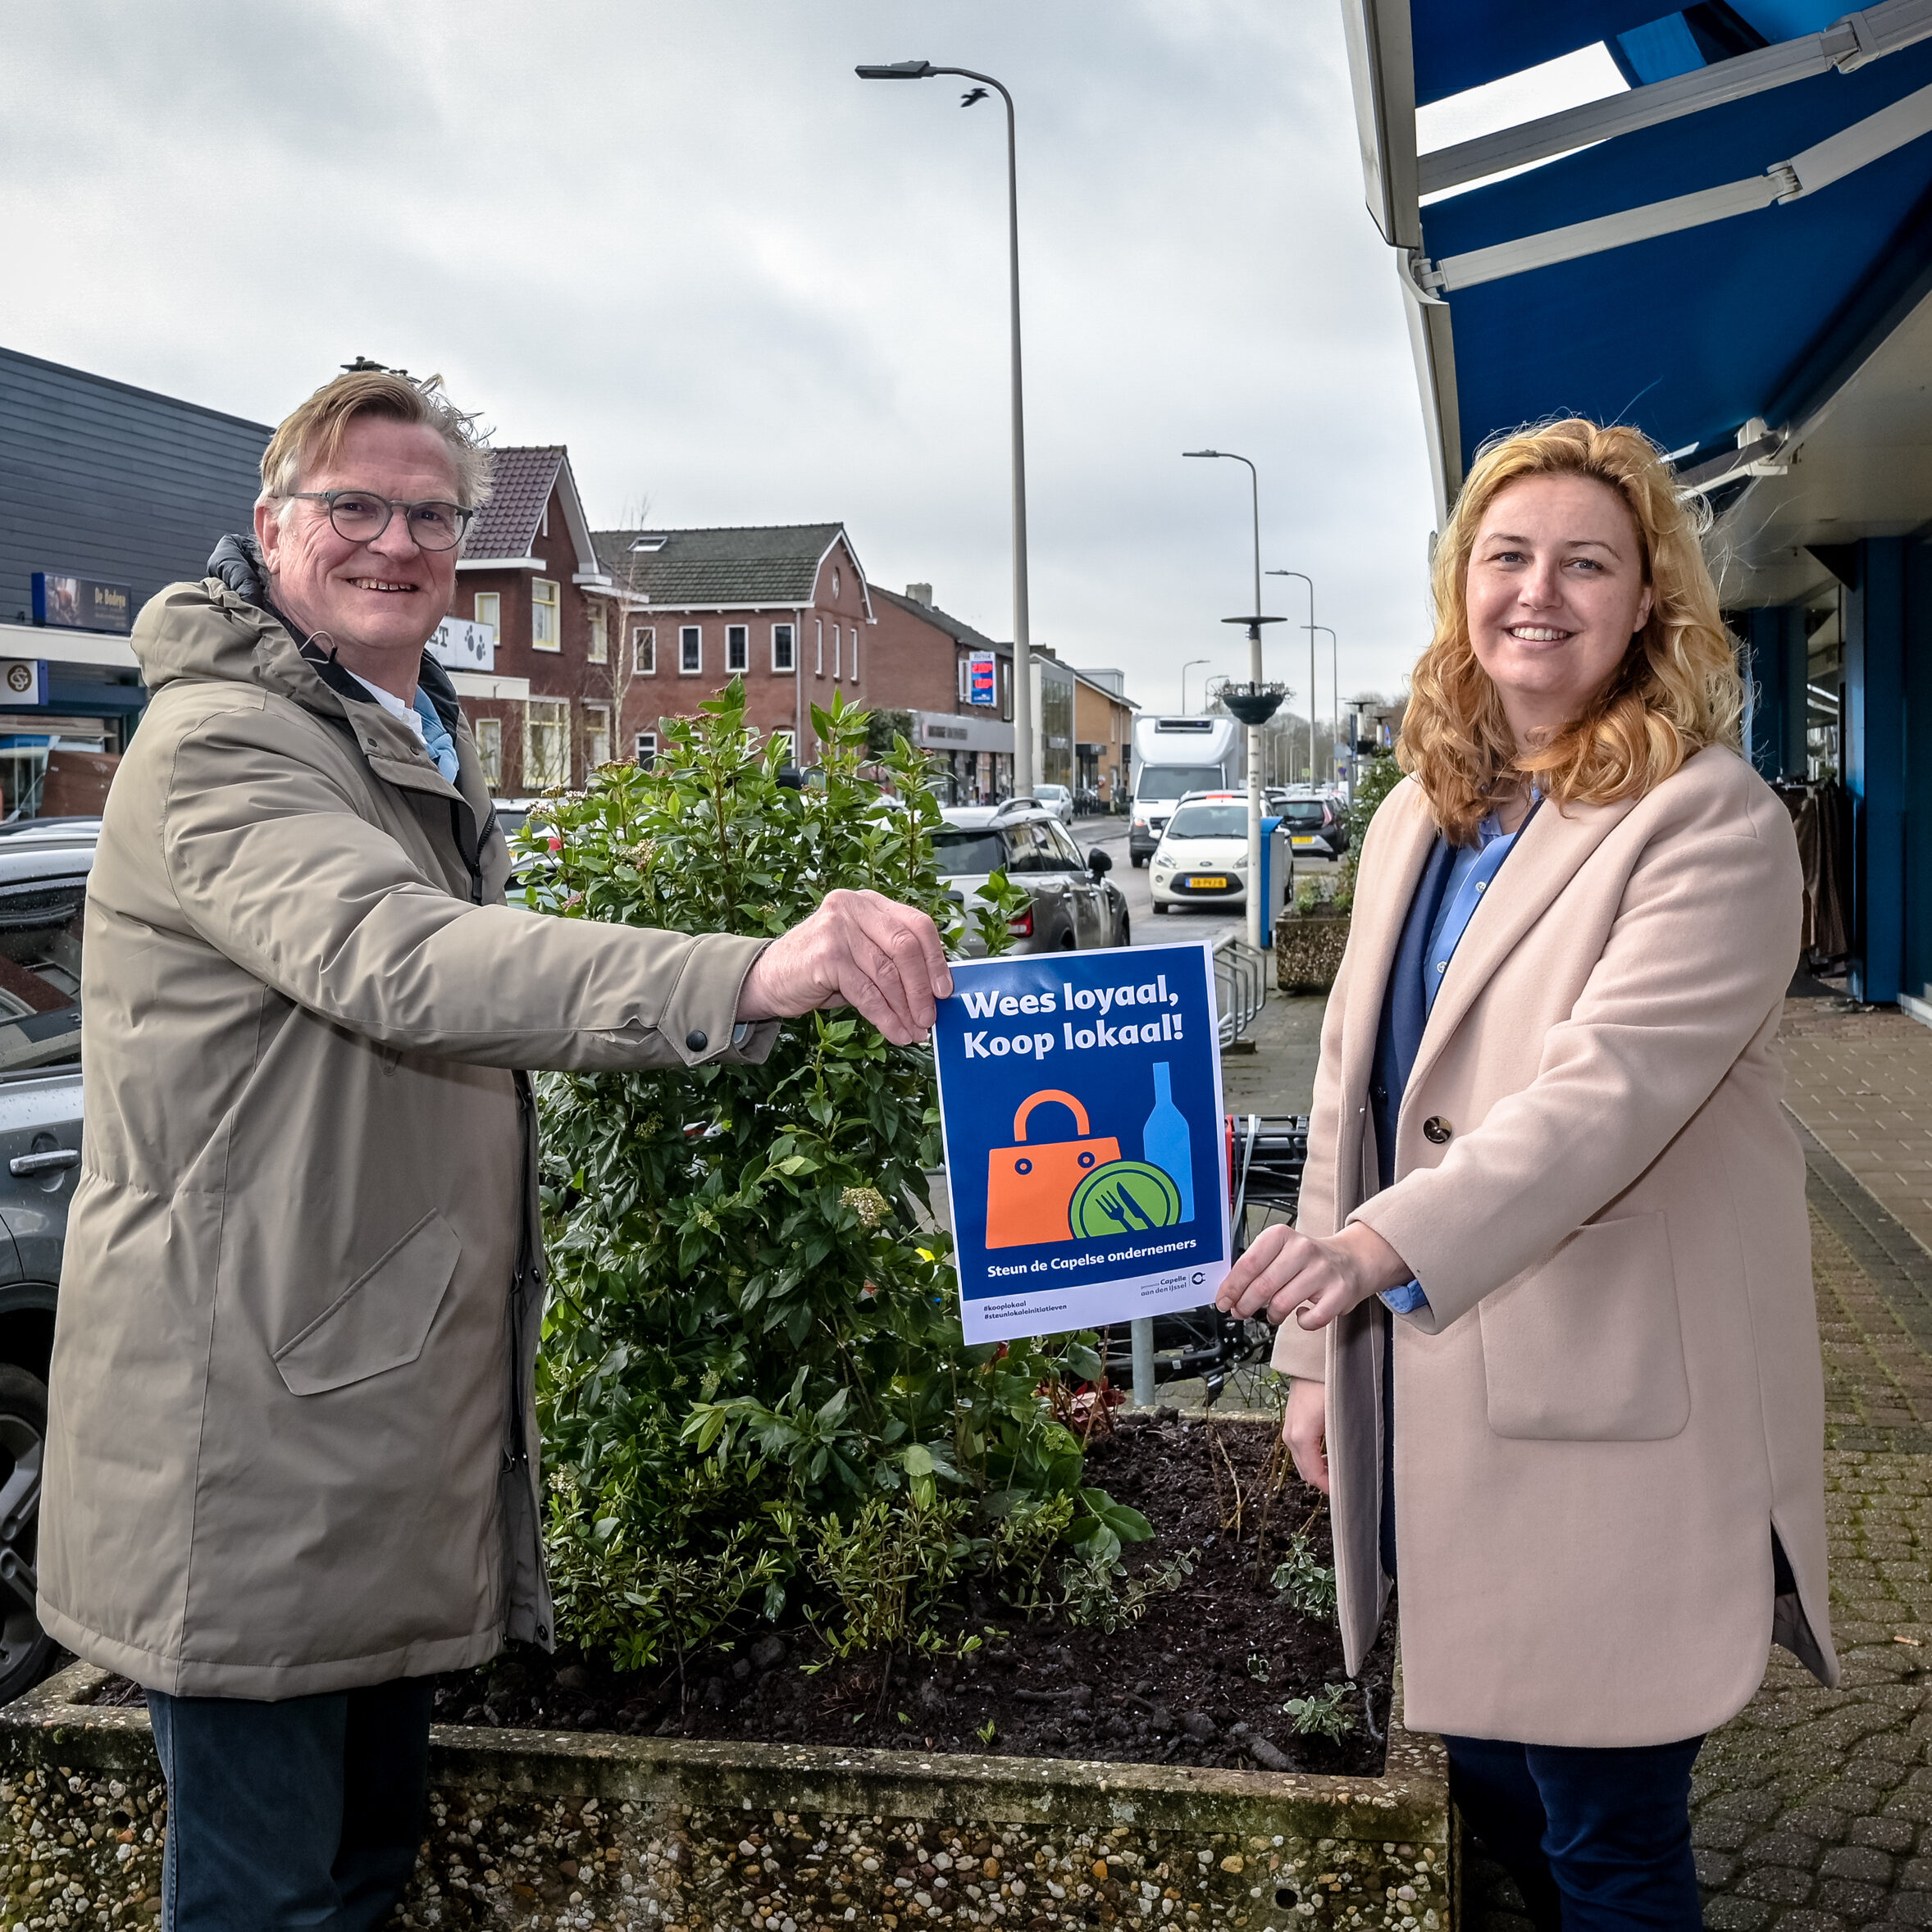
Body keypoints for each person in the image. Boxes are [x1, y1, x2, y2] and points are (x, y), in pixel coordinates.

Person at [36, 367, 951, 1930]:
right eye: (355, 508)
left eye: (432, 515)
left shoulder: (393, 736)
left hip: (350, 1419)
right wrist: (747, 972)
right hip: (249, 1436)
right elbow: (405, 961)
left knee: (364, 1877)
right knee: (273, 1905)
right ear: (270, 531)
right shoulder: (223, 749)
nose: (398, 541)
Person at [1219, 417, 1836, 1930]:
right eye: (1507, 556)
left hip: (1610, 1406)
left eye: (1586, 563)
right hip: (1439, 1397)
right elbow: (1353, 1093)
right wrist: (1313, 1355)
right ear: (1460, 589)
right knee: (1490, 1779)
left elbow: (1605, 1099)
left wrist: (1371, 1255)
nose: (1538, 593)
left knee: (1609, 1837)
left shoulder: (1710, 823)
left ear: (1647, 605)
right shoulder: (1414, 819)